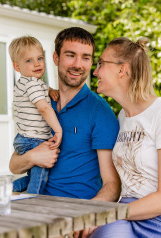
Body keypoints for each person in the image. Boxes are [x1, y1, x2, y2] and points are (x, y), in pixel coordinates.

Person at [76, 37, 161, 237]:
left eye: (101, 64)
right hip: (126, 214)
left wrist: (110, 213)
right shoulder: (122, 117)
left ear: (122, 69)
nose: (95, 71)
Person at [9, 27, 121, 201]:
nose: (78, 64)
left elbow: (112, 186)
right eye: (70, 55)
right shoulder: (39, 102)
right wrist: (32, 157)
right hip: (34, 208)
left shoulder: (100, 111)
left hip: (74, 212)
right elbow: (14, 165)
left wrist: (87, 218)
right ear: (56, 58)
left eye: (85, 58)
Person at [9, 36, 62, 194]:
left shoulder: (28, 82)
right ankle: (32, 202)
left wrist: (51, 90)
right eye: (29, 61)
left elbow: (42, 89)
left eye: (40, 58)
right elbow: (44, 108)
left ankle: (10, 188)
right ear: (17, 67)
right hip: (33, 139)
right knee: (40, 178)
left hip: (24, 138)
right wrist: (58, 130)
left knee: (36, 175)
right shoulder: (32, 84)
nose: (37, 63)